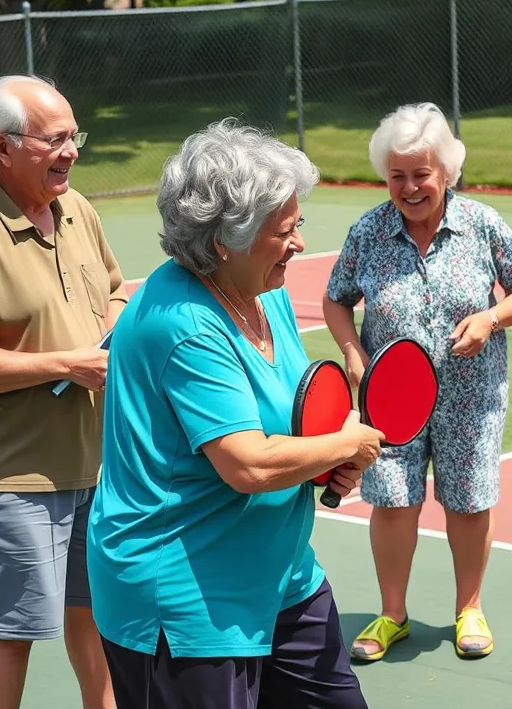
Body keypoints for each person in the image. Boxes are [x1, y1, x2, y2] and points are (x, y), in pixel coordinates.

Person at [84, 119, 384, 708]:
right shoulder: (185, 323)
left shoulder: (262, 287)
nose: (298, 242)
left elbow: (285, 420)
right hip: (187, 599)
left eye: (299, 225)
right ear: (226, 239)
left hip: (282, 575)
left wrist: (326, 463)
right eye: (285, 230)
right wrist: (346, 446)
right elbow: (247, 464)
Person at [0, 74, 125, 709]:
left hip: (95, 463)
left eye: (74, 137)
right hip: (16, 477)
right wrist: (66, 363)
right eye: (54, 140)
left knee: (94, 617)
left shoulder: (80, 211)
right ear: (3, 146)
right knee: (14, 633)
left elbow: (119, 289)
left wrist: (113, 326)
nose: (70, 152)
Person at [323, 102, 512, 662]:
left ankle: (470, 607)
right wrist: (351, 350)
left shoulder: (482, 224)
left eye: (422, 174)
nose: (410, 186)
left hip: (472, 395)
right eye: (398, 175)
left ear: (446, 172)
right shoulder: (368, 231)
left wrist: (491, 319)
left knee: (468, 501)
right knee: (391, 501)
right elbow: (335, 298)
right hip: (389, 400)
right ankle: (393, 613)